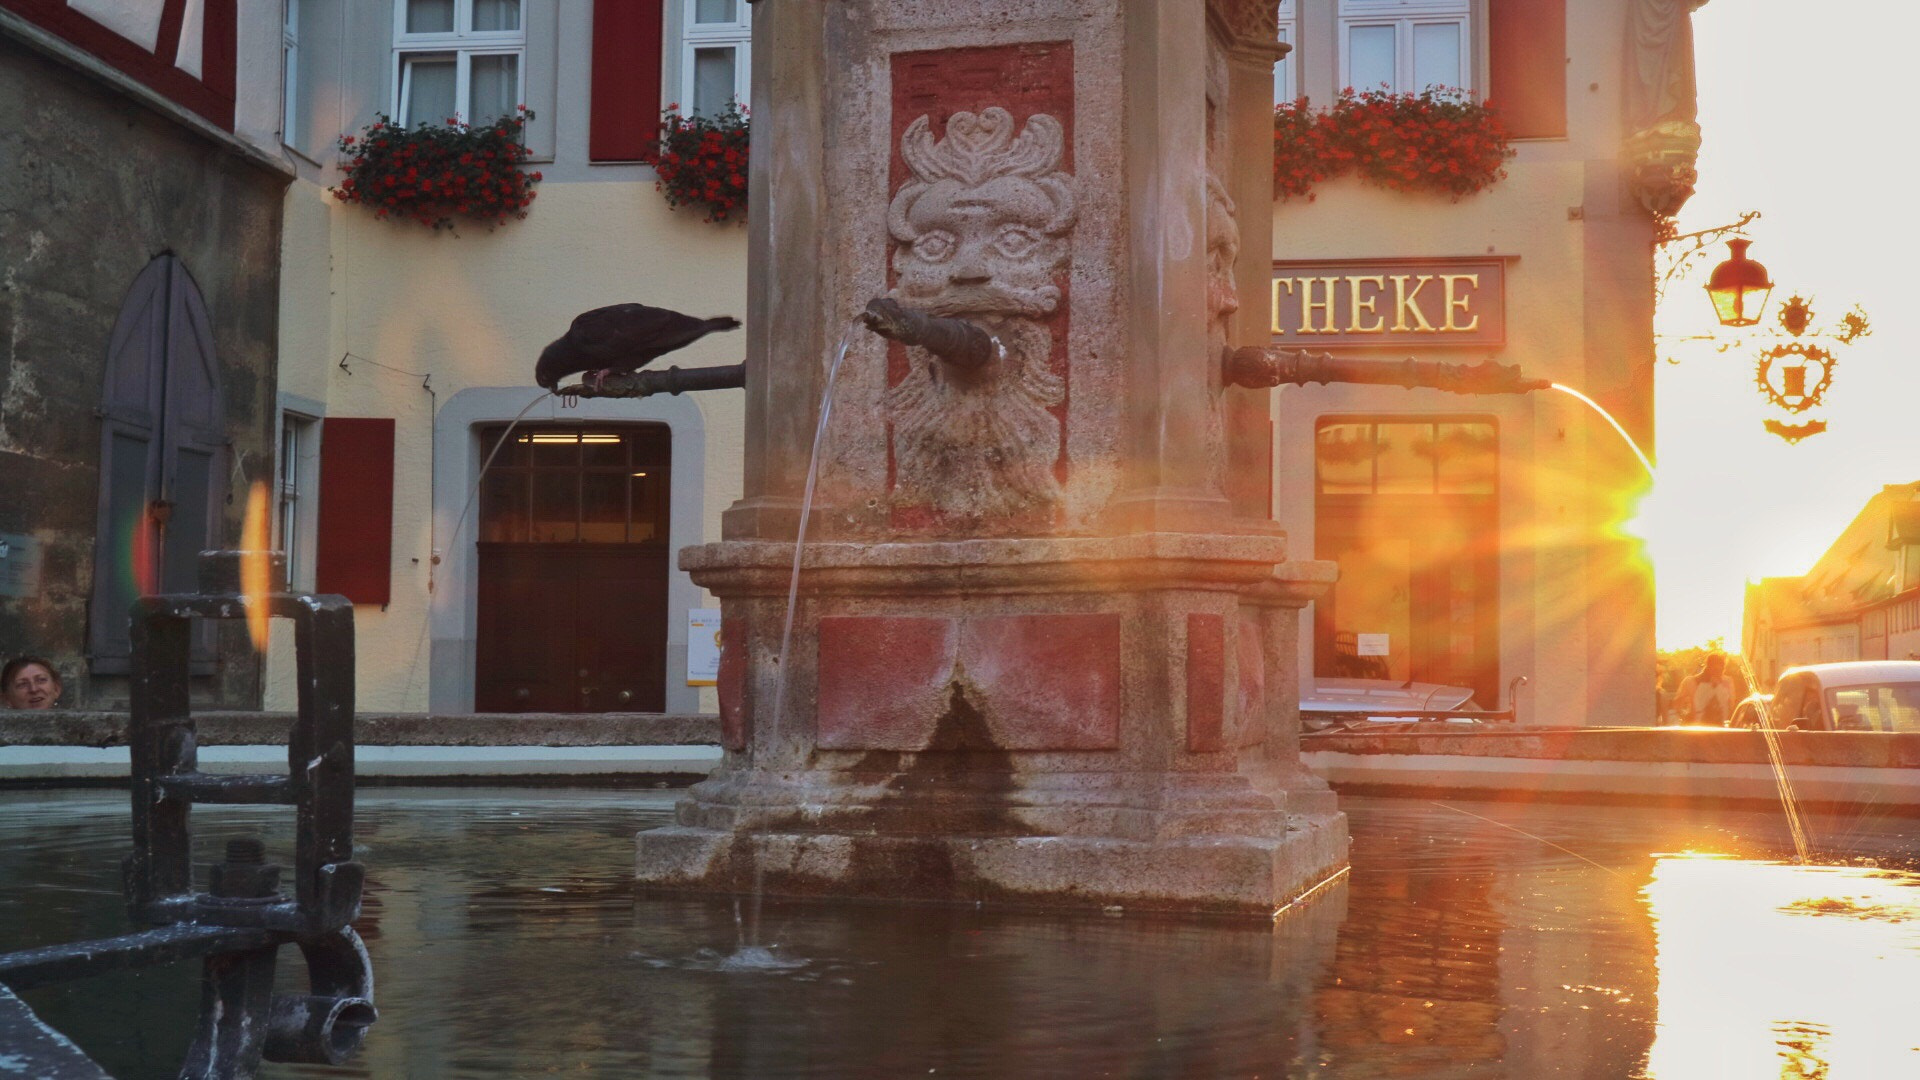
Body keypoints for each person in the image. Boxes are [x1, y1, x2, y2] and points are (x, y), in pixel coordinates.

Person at [1674, 652, 1734, 726]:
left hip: (1717, 729)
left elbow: (1731, 705)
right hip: (1697, 728)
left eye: (1721, 669)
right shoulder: (1690, 682)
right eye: (1716, 669)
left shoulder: (1727, 682)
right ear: (1708, 667)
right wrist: (1686, 717)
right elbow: (1677, 704)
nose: (1719, 673)